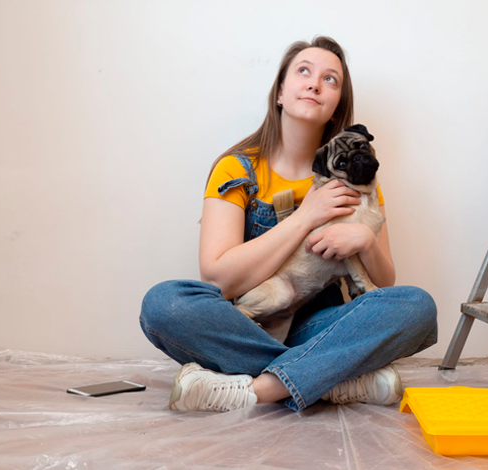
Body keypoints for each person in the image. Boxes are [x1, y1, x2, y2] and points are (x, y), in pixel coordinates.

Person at [139, 36, 437, 413]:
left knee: (416, 306)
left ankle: (257, 389)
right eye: (304, 72)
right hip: (251, 326)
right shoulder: (237, 169)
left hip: (323, 326)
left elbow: (385, 283)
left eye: (331, 79)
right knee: (164, 303)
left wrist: (365, 239)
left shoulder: (357, 178)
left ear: (335, 108)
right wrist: (307, 216)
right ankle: (332, 376)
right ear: (280, 92)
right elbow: (219, 278)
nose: (315, 83)